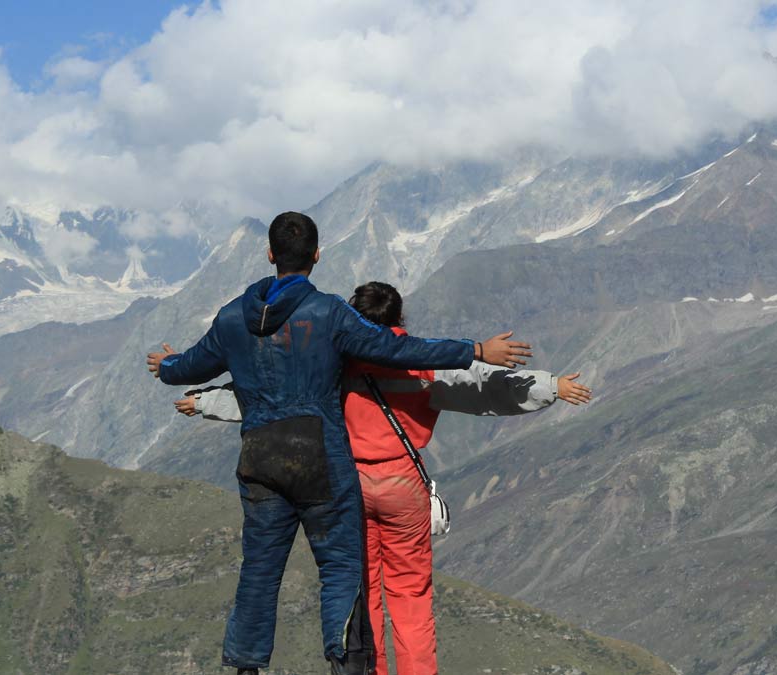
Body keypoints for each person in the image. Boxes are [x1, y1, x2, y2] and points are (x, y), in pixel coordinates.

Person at [145, 212, 532, 675]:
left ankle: (245, 667)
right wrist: (474, 350)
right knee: (342, 570)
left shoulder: (231, 318)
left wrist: (167, 366)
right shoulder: (328, 313)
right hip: (321, 462)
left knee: (259, 574)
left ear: (270, 255)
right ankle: (348, 665)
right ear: (317, 255)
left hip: (259, 461)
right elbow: (397, 350)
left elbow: (188, 367)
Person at [176, 281, 592, 675]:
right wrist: (551, 386)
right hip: (403, 486)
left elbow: (272, 396)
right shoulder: (422, 364)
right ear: (400, 319)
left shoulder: (332, 363)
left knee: (363, 592)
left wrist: (204, 401)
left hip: (347, 485)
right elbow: (488, 387)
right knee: (410, 596)